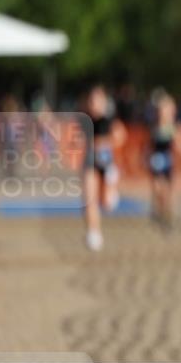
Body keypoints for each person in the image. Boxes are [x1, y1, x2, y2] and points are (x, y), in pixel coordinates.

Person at [81, 85, 127, 251]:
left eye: (97, 100)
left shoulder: (109, 120)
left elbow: (121, 136)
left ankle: (113, 184)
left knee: (107, 204)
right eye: (91, 100)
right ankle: (94, 232)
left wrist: (103, 144)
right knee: (88, 199)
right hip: (89, 163)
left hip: (106, 164)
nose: (94, 104)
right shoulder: (84, 119)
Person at [146, 90, 181, 229]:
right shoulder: (154, 126)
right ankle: (159, 210)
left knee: (169, 191)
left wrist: (178, 143)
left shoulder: (176, 127)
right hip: (156, 161)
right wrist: (145, 156)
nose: (163, 112)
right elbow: (148, 145)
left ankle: (168, 216)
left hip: (170, 161)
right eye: (161, 110)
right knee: (158, 188)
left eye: (166, 109)